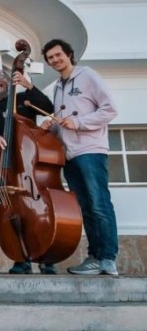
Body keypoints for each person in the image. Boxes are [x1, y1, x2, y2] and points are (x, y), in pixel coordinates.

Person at [40, 38, 120, 276]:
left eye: (58, 55)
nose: (55, 60)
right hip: (70, 155)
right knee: (86, 207)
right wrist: (51, 126)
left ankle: (107, 258)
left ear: (69, 54)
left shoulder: (88, 76)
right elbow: (64, 122)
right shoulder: (57, 86)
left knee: (99, 204)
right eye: (50, 58)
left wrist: (79, 122)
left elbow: (110, 110)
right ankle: (94, 257)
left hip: (90, 151)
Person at [0, 69, 55, 275]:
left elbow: (48, 108)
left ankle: (46, 257)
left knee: (38, 211)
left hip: (29, 166)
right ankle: (21, 258)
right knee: (13, 212)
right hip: (3, 168)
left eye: (0, 77)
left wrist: (29, 86)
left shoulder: (23, 99)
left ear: (9, 80)